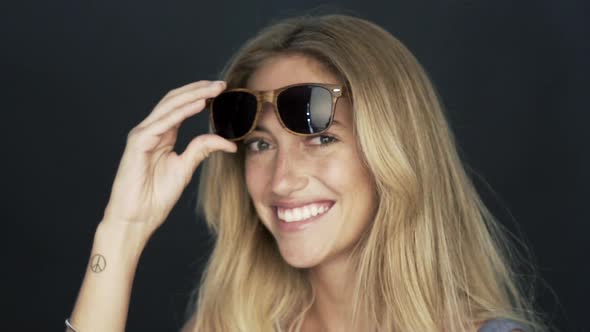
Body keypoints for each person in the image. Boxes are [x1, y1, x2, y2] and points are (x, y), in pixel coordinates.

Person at [66, 14, 547, 331]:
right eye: (259, 144)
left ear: (396, 152)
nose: (281, 180)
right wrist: (122, 232)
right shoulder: (233, 325)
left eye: (321, 139)